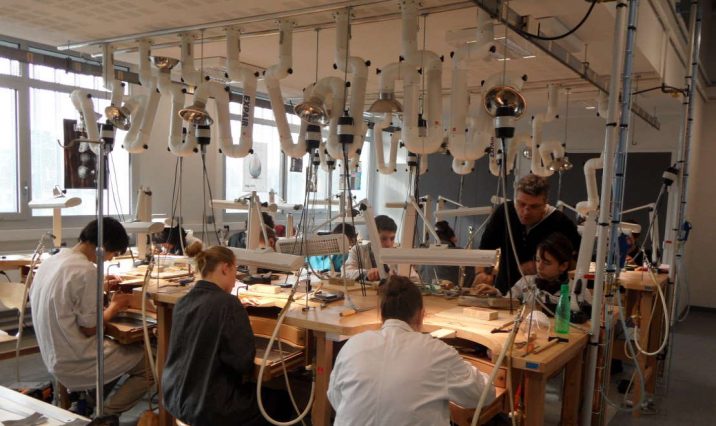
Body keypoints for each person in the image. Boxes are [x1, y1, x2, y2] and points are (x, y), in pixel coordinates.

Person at [328, 276, 495, 425]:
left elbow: (336, 397)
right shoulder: (437, 352)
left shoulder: (353, 345)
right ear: (421, 315)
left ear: (381, 314)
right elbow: (485, 394)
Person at [30, 218, 151, 415]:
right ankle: (107, 416)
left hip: (52, 353)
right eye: (113, 253)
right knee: (150, 364)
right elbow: (89, 329)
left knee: (117, 352)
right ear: (103, 246)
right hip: (74, 357)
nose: (111, 259)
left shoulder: (52, 261)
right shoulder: (86, 271)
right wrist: (114, 307)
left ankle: (86, 403)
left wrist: (98, 286)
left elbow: (65, 292)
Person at [162, 245, 276, 426]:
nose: (234, 280)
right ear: (225, 268)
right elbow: (243, 363)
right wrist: (243, 323)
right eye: (235, 272)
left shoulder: (183, 301)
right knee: (277, 403)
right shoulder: (228, 304)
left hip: (174, 398)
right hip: (209, 407)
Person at [474, 174, 580, 294]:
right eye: (521, 204)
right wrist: (481, 273)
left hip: (545, 296)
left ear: (545, 203)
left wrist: (539, 265)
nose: (525, 212)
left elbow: (577, 262)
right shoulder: (504, 213)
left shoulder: (560, 222)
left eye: (534, 207)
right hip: (504, 292)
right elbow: (484, 249)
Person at [473, 233, 574, 306]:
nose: (539, 266)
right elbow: (509, 301)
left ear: (563, 266)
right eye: (538, 260)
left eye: (547, 263)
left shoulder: (576, 291)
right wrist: (496, 292)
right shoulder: (526, 281)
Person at [418, 221, 475, 287]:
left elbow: (422, 276)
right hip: (451, 295)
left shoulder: (424, 253)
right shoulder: (461, 253)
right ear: (453, 239)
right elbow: (470, 279)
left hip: (428, 293)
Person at [343, 215, 397, 281]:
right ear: (372, 237)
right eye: (383, 238)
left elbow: (412, 277)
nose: (388, 244)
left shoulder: (399, 255)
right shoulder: (357, 250)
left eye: (392, 238)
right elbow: (345, 273)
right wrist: (367, 273)